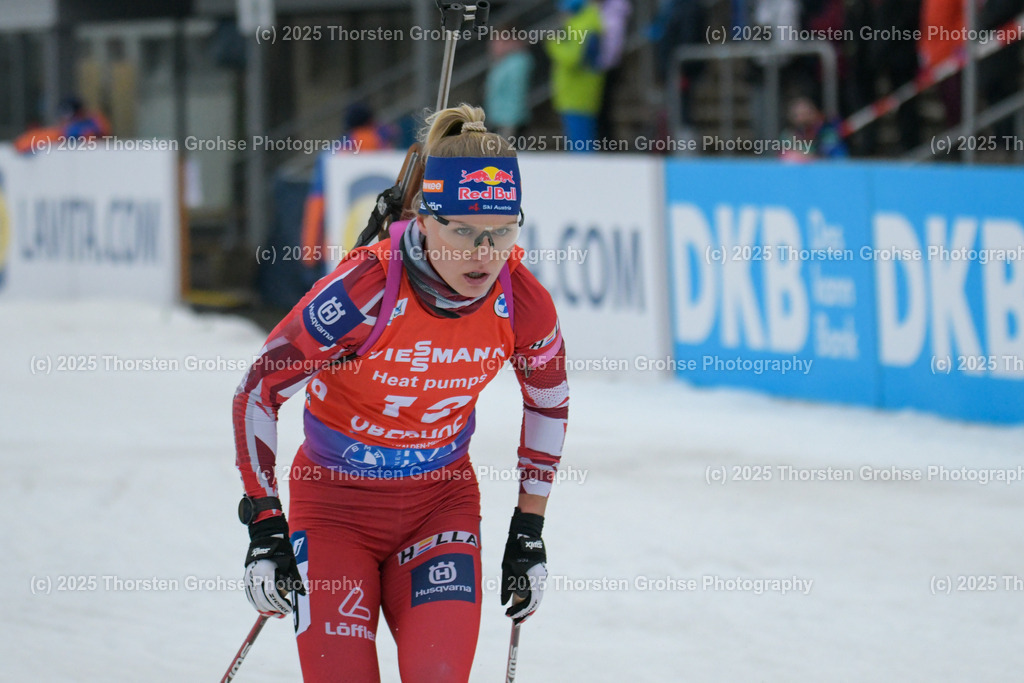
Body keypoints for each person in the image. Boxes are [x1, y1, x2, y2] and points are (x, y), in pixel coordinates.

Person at [233, 103, 569, 682]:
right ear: (425, 219)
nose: (483, 253)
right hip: (334, 507)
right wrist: (264, 523)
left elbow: (549, 402)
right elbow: (258, 390)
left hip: (439, 506)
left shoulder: (522, 300)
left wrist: (528, 530)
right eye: (463, 231)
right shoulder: (365, 289)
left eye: (502, 232)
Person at [300, 103, 397, 275]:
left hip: (338, 247)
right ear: (372, 122)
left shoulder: (333, 154)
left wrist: (310, 252)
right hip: (384, 250)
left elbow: (317, 205)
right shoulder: (389, 150)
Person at [545, 0, 606, 150]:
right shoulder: (586, 21)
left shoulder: (583, 24)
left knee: (580, 143)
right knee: (581, 140)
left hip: (577, 92)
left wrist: (553, 44)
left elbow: (573, 58)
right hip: (578, 91)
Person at [484, 28, 534, 139]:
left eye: (499, 41)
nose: (493, 46)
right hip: (498, 118)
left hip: (509, 120)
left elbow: (516, 94)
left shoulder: (517, 63)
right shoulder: (501, 62)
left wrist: (511, 121)